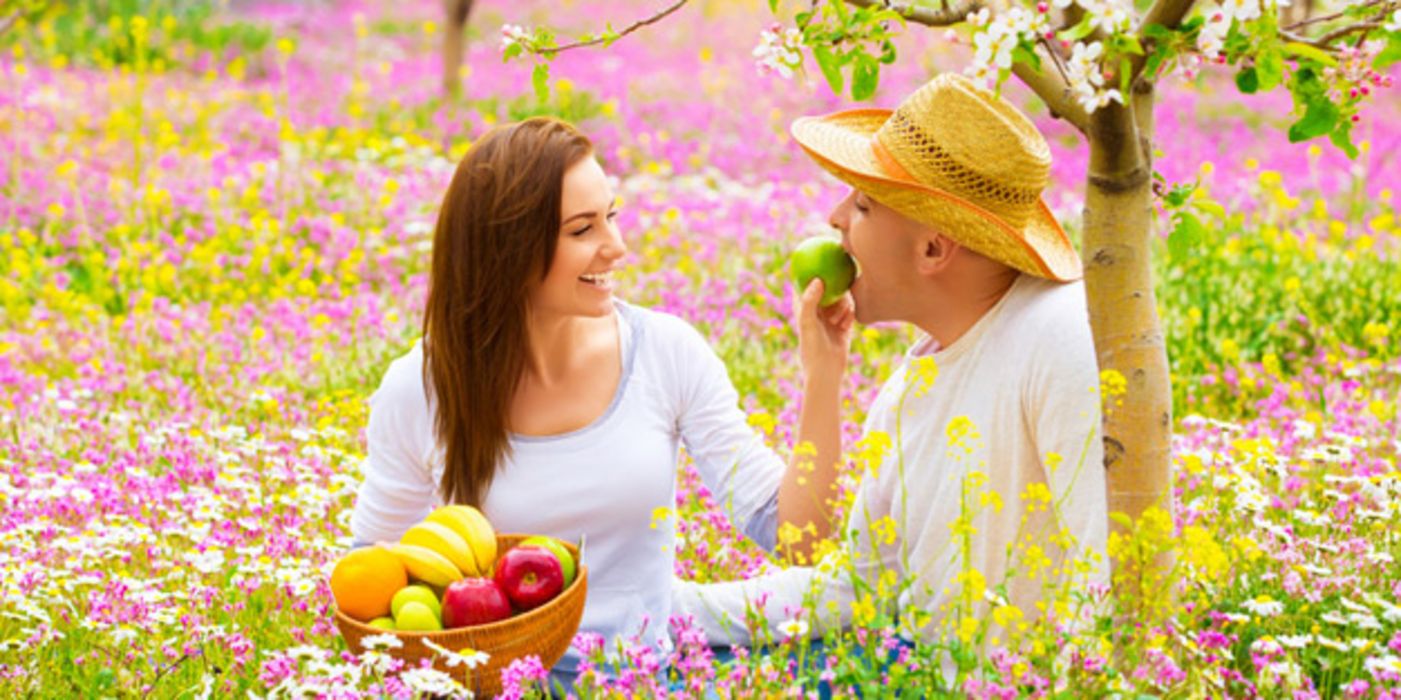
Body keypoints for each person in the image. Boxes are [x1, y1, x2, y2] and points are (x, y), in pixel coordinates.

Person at [347, 116, 853, 691]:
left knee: (861, 602)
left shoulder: (665, 351)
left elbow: (799, 538)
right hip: (506, 683)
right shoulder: (421, 387)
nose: (617, 247)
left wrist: (824, 374)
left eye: (611, 216)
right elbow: (373, 581)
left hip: (648, 673)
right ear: (509, 248)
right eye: (582, 229)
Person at [673, 73, 1110, 680]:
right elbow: (855, 585)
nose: (833, 220)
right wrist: (660, 608)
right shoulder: (914, 384)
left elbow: (1112, 582)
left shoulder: (1062, 336)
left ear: (933, 250)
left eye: (861, 205)